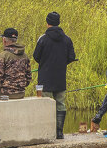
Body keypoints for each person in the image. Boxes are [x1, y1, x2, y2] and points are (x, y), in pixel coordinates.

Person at [33, 11, 77, 139]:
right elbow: (71, 57)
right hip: (60, 77)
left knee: (46, 103)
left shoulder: (43, 39)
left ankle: (47, 132)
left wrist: (45, 63)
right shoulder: (67, 39)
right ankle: (59, 132)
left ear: (47, 23)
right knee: (60, 104)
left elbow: (36, 56)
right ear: (59, 22)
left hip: (45, 77)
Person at [0, 27, 31, 100]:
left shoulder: (2, 56)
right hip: (21, 94)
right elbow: (28, 77)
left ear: (4, 40)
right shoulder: (25, 56)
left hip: (5, 95)